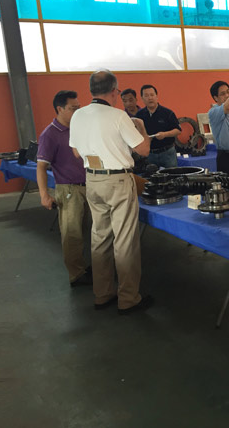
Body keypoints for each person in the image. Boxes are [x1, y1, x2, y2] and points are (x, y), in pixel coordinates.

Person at [69, 69, 152, 315]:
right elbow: (144, 150)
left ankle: (102, 294)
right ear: (115, 91)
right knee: (124, 240)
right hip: (117, 180)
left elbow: (76, 152)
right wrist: (142, 128)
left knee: (100, 237)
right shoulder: (118, 115)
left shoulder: (78, 115)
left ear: (91, 90)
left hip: (92, 179)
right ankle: (128, 298)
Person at [36, 90, 92, 287]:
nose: (77, 111)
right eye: (73, 108)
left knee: (87, 230)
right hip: (69, 190)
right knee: (71, 234)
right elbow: (41, 167)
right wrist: (44, 195)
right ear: (59, 109)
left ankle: (85, 266)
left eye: (79, 107)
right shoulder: (49, 134)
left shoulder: (79, 129)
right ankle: (76, 274)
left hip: (90, 186)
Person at [134, 84, 181, 168]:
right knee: (151, 175)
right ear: (142, 98)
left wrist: (165, 134)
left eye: (152, 95)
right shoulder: (139, 115)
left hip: (168, 153)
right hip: (150, 154)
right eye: (146, 96)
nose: (150, 98)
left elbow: (178, 130)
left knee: (172, 174)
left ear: (156, 96)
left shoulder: (167, 113)